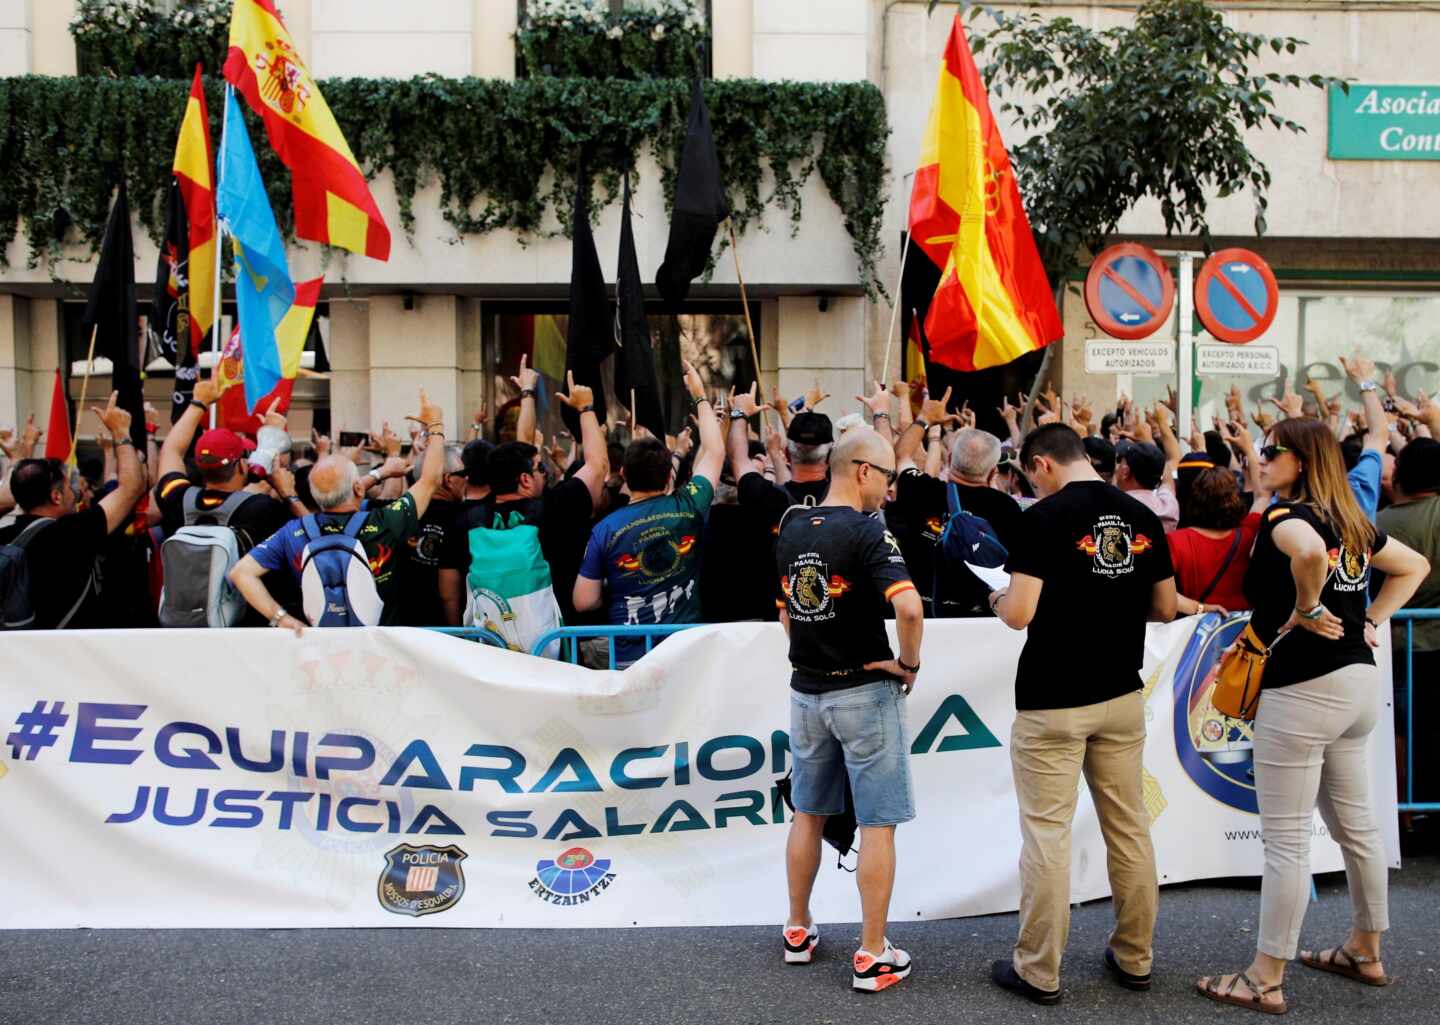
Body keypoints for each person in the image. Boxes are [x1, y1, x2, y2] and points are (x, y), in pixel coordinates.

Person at [1197, 418, 1428, 1014]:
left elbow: (1303, 554)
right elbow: (1414, 568)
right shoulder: (1351, 520)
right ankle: (1365, 949)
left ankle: (1265, 976)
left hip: (1304, 690)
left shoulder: (1285, 518)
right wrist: (1369, 619)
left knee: (1287, 842)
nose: (1260, 456)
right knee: (1357, 829)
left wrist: (1307, 605)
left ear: (1300, 461)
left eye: (1271, 449)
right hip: (1355, 682)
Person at [989, 423, 1177, 1005]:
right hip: (1120, 692)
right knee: (1130, 827)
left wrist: (994, 596)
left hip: (1053, 698)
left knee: (1048, 834)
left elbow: (1018, 613)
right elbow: (1166, 607)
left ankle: (1039, 970)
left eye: (1028, 473)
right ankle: (1135, 956)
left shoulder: (1042, 518)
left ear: (1042, 464)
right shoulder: (1142, 515)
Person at [776, 427, 924, 993]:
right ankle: (872, 952)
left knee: (807, 812)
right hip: (862, 690)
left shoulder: (791, 525)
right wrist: (908, 665)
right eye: (887, 478)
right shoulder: (868, 532)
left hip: (806, 688)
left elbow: (789, 613)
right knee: (877, 822)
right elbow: (908, 608)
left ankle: (797, 927)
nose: (889, 492)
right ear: (863, 470)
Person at [228, 390, 447, 633]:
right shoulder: (385, 521)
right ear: (357, 488)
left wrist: (280, 618)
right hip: (380, 648)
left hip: (323, 648)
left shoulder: (295, 530)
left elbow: (241, 573)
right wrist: (436, 424)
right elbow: (430, 480)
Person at [440, 369, 607, 651]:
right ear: (526, 479)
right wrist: (586, 408)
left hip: (491, 653)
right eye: (540, 468)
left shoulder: (467, 521)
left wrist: (463, 644)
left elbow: (448, 591)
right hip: (551, 651)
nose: (545, 473)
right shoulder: (555, 507)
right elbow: (599, 466)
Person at [573, 361, 724, 665]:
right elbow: (715, 451)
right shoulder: (689, 504)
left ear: (624, 474)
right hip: (684, 656)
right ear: (670, 474)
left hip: (630, 658)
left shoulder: (605, 529)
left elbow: (584, 601)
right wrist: (699, 396)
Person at [154, 379, 300, 625]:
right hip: (242, 629)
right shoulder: (263, 509)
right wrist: (286, 492)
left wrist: (198, 402)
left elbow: (171, 451)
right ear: (241, 465)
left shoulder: (175, 498)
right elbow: (307, 534)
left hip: (183, 628)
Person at [0, 393, 144, 629]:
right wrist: (121, 432)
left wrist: (17, 456)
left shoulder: (5, 539)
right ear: (56, 496)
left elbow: (6, 498)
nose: (74, 493)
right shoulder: (72, 532)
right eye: (69, 487)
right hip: (66, 656)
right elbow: (131, 488)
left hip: (15, 657)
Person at [1377, 438, 1440, 802]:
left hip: (1396, 646)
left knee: (1398, 733)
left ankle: (1402, 815)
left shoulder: (1376, 522)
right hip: (1427, 643)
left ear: (1399, 474)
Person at [1168, 426, 1270, 615]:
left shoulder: (1176, 541)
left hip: (1196, 634)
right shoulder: (1249, 531)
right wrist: (1248, 449)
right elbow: (1263, 495)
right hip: (1242, 630)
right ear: (1235, 498)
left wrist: (1198, 608)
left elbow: (1156, 590)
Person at [393, 442, 467, 627]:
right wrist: (458, 636)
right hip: (445, 630)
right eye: (465, 474)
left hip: (402, 626)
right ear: (449, 479)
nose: (468, 480)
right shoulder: (462, 518)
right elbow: (449, 590)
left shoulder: (399, 513)